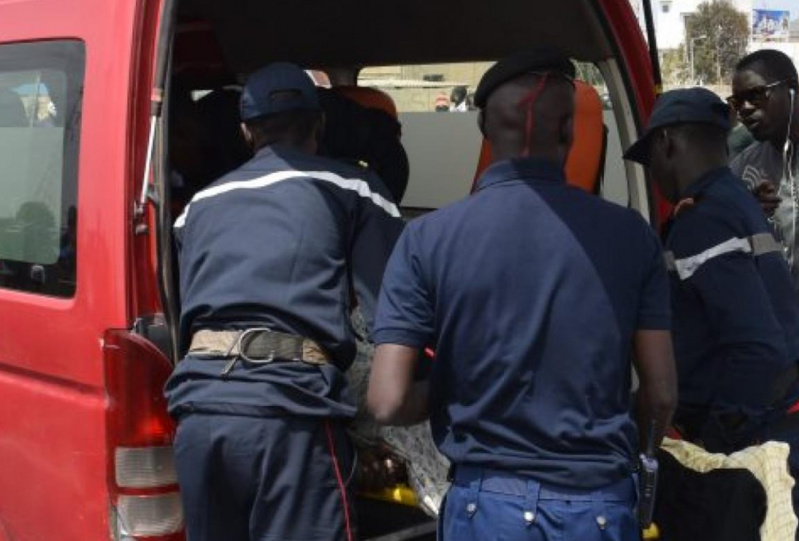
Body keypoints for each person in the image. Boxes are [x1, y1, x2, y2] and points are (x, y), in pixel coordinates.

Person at [367, 50, 677, 541]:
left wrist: (450, 391)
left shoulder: (426, 239)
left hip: (485, 510)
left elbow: (387, 402)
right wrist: (639, 451)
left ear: (484, 129)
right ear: (570, 131)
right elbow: (661, 395)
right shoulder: (631, 236)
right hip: (599, 507)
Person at [164, 62, 404, 541]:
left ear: (246, 132)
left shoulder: (195, 209)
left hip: (199, 415)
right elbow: (396, 321)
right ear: (320, 124)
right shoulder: (354, 188)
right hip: (291, 419)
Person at [624, 87, 799, 515]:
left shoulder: (703, 219)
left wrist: (713, 445)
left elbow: (757, 347)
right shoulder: (735, 201)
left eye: (651, 158)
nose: (653, 173)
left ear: (666, 142)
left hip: (755, 435)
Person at [729, 50, 799, 288]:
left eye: (756, 94)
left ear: (792, 89)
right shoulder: (742, 169)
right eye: (737, 101)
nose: (745, 109)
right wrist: (747, 215)